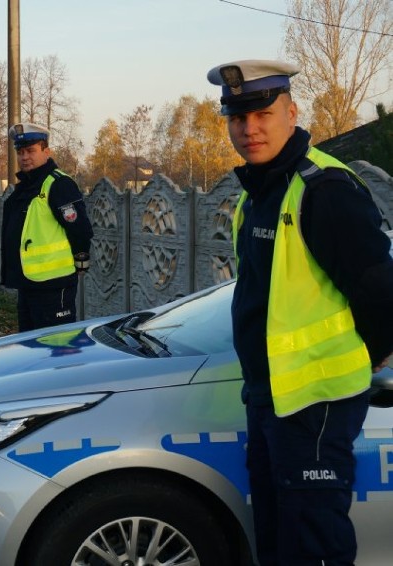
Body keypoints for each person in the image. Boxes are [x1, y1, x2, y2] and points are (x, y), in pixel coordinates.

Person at [208, 59, 393, 565]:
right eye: (237, 118)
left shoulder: (324, 189)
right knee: (276, 538)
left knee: (313, 547)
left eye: (262, 115)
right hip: (271, 397)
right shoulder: (262, 193)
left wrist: (372, 353)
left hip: (317, 404)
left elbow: (381, 290)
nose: (249, 129)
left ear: (291, 113)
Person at [0, 122, 93, 332]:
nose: (25, 157)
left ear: (46, 151)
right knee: (31, 351)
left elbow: (80, 230)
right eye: (20, 152)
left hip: (54, 286)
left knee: (58, 350)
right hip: (29, 283)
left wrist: (81, 263)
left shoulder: (58, 184)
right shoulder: (26, 187)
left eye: (31, 151)